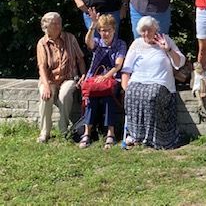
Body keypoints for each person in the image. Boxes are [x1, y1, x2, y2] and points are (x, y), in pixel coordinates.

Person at [121, 16, 186, 149]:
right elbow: (126, 69)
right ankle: (135, 134)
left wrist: (167, 49)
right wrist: (126, 87)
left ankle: (155, 137)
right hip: (139, 80)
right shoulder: (137, 43)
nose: (146, 34)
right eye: (143, 31)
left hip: (160, 82)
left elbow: (180, 62)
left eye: (149, 30)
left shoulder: (165, 40)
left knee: (152, 94)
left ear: (155, 29)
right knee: (132, 93)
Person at [80, 8, 127, 149]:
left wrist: (105, 77)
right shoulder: (98, 42)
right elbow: (88, 43)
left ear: (113, 29)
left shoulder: (120, 44)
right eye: (101, 30)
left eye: (107, 30)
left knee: (108, 97)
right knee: (92, 97)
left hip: (112, 79)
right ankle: (87, 132)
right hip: (94, 80)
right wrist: (92, 26)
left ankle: (110, 133)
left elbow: (118, 65)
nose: (104, 34)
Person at [36, 12, 86, 143]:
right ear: (46, 27)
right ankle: (44, 132)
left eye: (59, 22)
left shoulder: (70, 38)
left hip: (68, 77)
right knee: (45, 96)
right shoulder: (42, 43)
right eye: (54, 23)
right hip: (50, 79)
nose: (58, 26)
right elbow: (41, 66)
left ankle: (64, 129)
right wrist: (46, 86)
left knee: (64, 95)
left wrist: (84, 75)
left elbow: (80, 59)